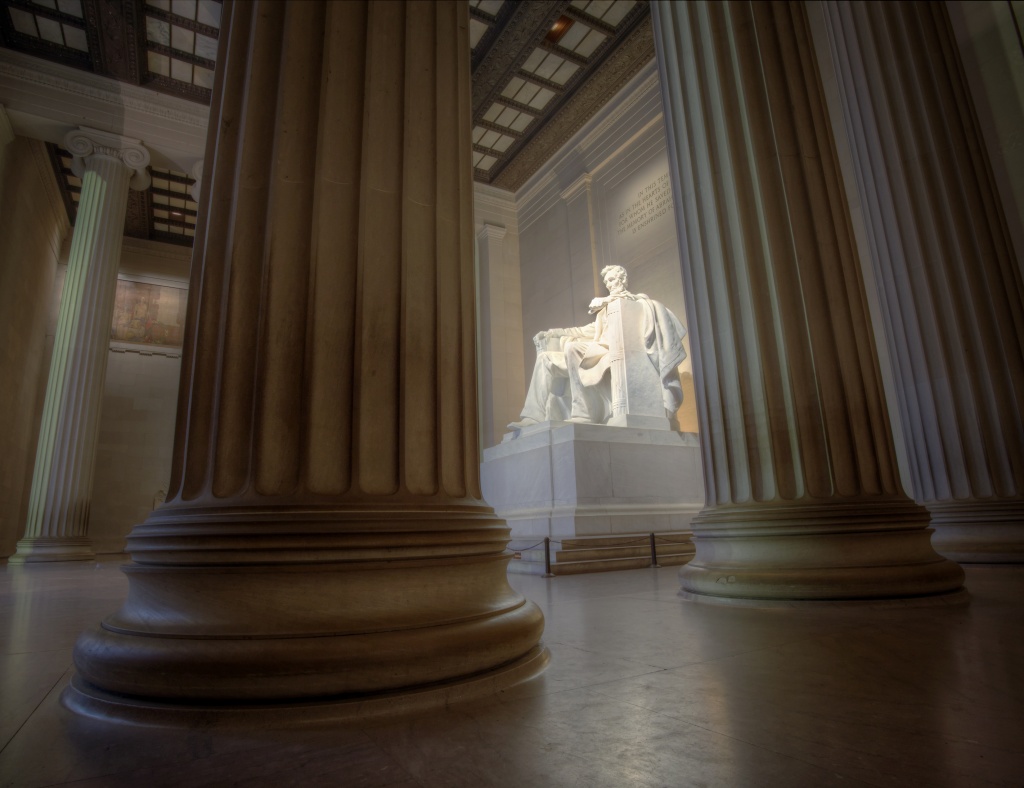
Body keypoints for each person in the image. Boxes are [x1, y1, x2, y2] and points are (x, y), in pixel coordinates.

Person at [508, 265, 687, 433]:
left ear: (623, 280)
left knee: (573, 348)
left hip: (615, 353)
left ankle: (584, 413)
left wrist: (609, 301)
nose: (609, 285)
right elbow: (584, 331)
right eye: (607, 282)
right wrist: (553, 333)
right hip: (596, 352)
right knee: (545, 359)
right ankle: (532, 416)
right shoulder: (606, 308)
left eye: (612, 280)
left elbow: (640, 327)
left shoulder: (635, 303)